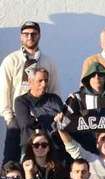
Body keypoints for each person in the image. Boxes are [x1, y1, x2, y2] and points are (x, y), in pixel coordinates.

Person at [1, 21, 59, 163]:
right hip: (18, 116)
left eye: (33, 34)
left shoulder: (48, 62)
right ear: (21, 37)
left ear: (39, 36)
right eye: (26, 34)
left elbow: (53, 89)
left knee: (45, 154)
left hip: (44, 116)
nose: (30, 37)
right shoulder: (11, 60)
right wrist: (9, 119)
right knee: (12, 158)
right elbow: (4, 90)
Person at [12, 67, 64, 151]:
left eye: (46, 81)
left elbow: (66, 121)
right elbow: (26, 123)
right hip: (33, 148)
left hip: (57, 147)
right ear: (30, 82)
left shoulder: (54, 99)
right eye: (40, 81)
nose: (44, 84)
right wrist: (53, 121)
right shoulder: (21, 101)